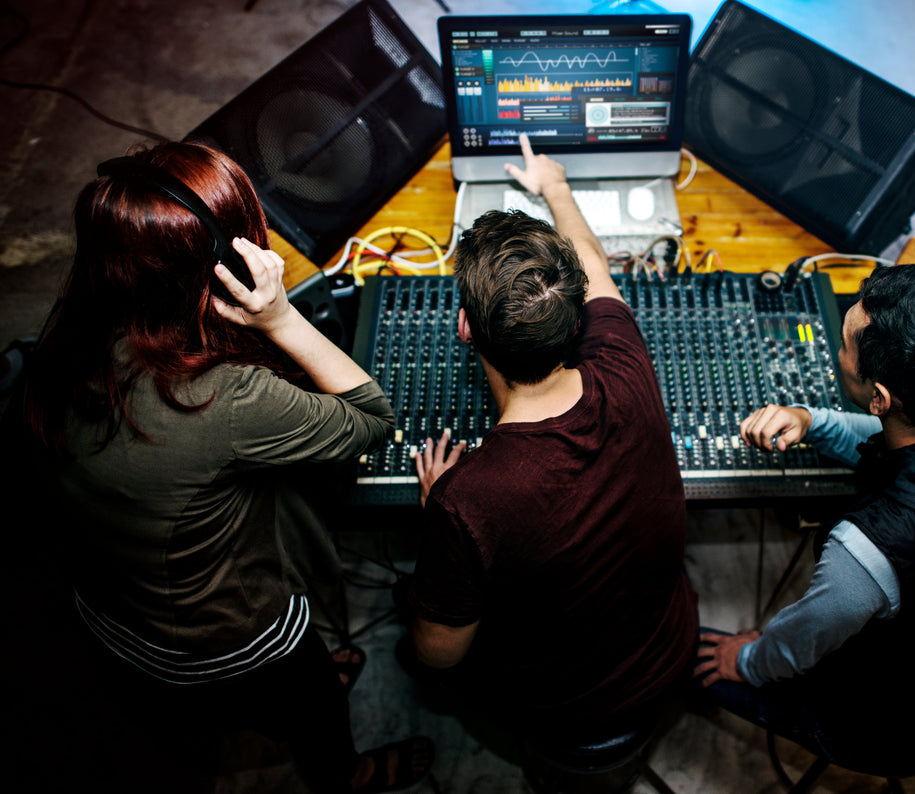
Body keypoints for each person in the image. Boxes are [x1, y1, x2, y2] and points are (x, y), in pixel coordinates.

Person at [21, 141, 432, 793]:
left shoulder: (64, 336)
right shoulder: (227, 397)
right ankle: (348, 774)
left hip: (107, 610)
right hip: (223, 635)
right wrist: (281, 316)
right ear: (220, 267)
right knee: (312, 699)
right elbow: (371, 421)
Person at [694, 263, 915, 776]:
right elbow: (908, 448)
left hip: (895, 730)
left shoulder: (864, 553)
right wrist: (812, 421)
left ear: (881, 396)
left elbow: (801, 643)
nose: (835, 349)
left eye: (843, 344)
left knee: (681, 655)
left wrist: (748, 660)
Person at [404, 134, 699, 743]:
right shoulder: (623, 354)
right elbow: (591, 258)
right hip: (670, 646)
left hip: (563, 704)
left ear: (466, 328)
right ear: (579, 315)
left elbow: (439, 656)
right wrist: (556, 187)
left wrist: (439, 512)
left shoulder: (468, 501)